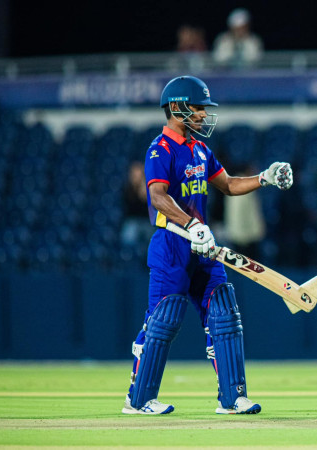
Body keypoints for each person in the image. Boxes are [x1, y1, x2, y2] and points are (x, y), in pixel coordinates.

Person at [122, 75, 293, 415]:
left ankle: (232, 398)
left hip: (202, 244)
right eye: (198, 107)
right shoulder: (160, 148)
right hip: (173, 244)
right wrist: (191, 225)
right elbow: (157, 196)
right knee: (163, 320)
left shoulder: (200, 149)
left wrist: (264, 178)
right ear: (176, 108)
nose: (203, 114)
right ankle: (138, 400)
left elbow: (228, 185)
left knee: (224, 312)